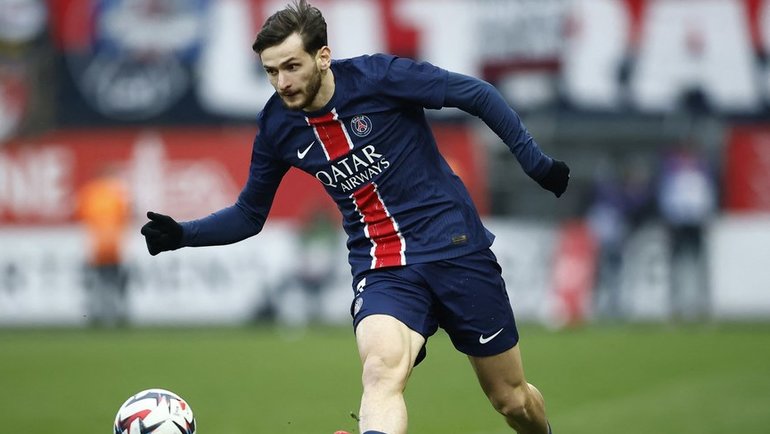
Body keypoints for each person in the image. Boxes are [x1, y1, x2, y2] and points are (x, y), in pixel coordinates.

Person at [140, 1, 569, 433]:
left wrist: (537, 164)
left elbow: (477, 94)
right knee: (381, 372)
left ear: (323, 56)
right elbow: (250, 214)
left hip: (454, 247)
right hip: (382, 265)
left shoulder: (380, 77)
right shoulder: (277, 126)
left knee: (511, 400)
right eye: (271, 71)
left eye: (292, 66)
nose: (282, 82)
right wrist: (183, 234)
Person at [77, 164, 131, 326]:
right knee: (114, 282)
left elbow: (84, 219)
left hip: (99, 247)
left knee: (99, 282)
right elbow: (124, 218)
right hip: (110, 247)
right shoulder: (116, 194)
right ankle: (115, 313)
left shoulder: (89, 193)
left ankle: (99, 313)